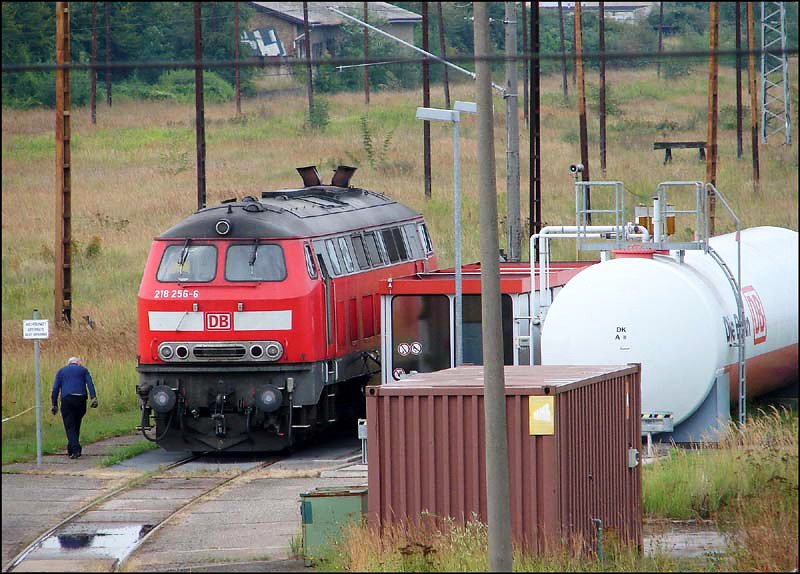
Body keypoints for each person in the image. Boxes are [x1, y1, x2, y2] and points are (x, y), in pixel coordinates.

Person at [51, 356, 98, 459]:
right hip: (81, 400)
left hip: (67, 399)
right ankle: (71, 448)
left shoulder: (61, 371)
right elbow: (90, 383)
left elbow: (55, 388)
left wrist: (54, 404)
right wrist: (93, 397)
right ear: (78, 363)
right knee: (76, 424)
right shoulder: (83, 370)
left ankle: (75, 449)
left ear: (69, 363)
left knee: (69, 426)